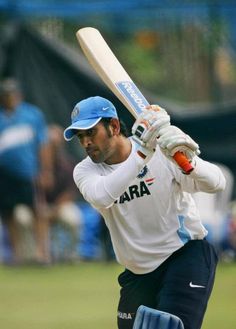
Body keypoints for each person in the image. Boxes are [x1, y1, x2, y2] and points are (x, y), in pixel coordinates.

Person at [63, 96, 226, 329]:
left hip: (183, 256)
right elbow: (102, 195)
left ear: (114, 127)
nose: (86, 142)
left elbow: (217, 183)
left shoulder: (160, 151)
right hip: (138, 272)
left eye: (91, 132)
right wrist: (141, 153)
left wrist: (189, 161)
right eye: (81, 137)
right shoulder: (85, 171)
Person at [0, 77, 53, 264]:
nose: (9, 98)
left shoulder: (32, 115)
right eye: (6, 95)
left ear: (19, 95)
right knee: (9, 214)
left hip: (29, 173)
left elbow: (43, 144)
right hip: (5, 176)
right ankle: (17, 255)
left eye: (12, 94)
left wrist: (45, 170)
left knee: (38, 210)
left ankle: (42, 253)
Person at [45, 124, 81, 262]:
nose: (54, 147)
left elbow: (71, 191)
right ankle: (33, 258)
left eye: (56, 143)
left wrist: (55, 209)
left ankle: (71, 256)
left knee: (73, 219)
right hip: (39, 207)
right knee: (22, 217)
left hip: (60, 205)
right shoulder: (36, 164)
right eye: (50, 143)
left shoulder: (68, 163)